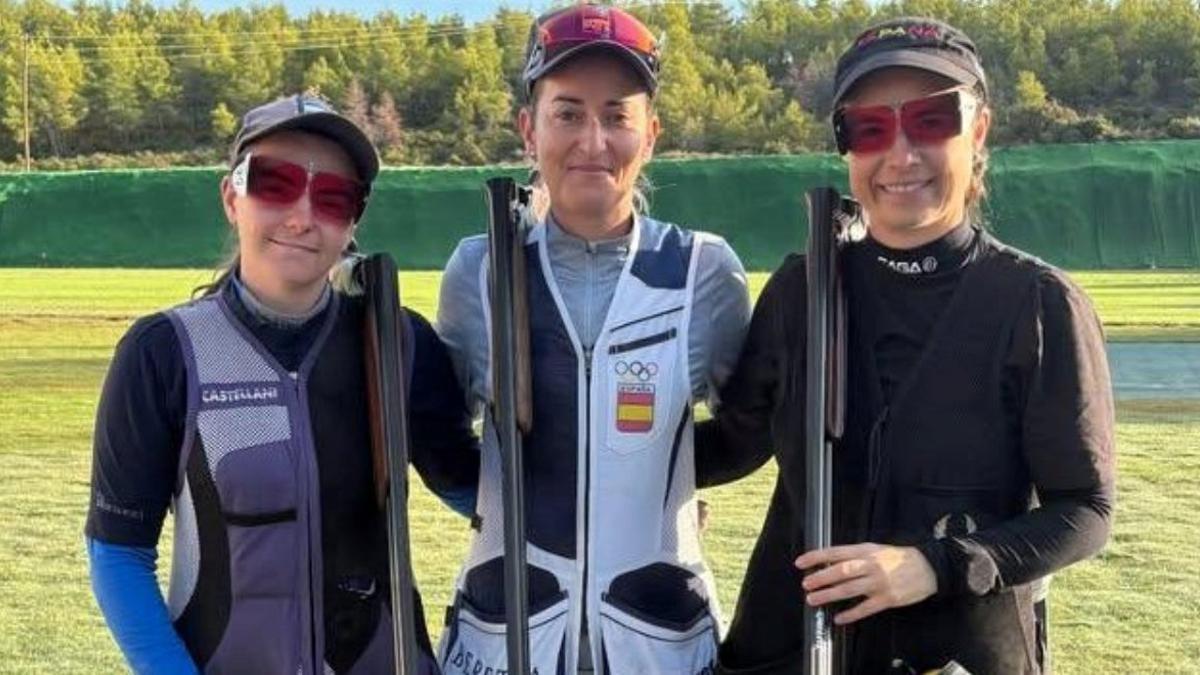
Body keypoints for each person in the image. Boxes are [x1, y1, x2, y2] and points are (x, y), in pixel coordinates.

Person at [697, 17, 1116, 675]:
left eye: (931, 120)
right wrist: (597, 429)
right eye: (868, 127)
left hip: (960, 654)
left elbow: (1084, 510)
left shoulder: (1038, 303)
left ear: (978, 131)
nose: (899, 153)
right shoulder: (800, 289)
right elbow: (732, 443)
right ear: (845, 147)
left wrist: (934, 565)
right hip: (788, 646)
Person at [86, 93, 478, 674]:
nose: (301, 215)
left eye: (333, 197)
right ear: (231, 197)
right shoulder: (164, 352)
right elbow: (118, 553)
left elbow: (475, 492)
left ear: (352, 223)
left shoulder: (397, 342)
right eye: (275, 182)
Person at [435, 4, 752, 673]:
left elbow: (747, 431)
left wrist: (652, 479)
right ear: (529, 128)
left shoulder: (704, 270)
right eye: (568, 112)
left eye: (617, 115)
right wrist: (496, 504)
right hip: (505, 636)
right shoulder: (480, 267)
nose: (592, 140)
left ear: (652, 133)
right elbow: (446, 439)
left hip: (660, 641)